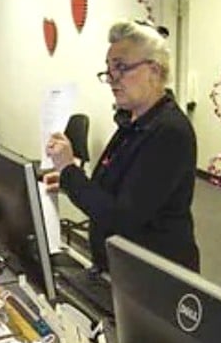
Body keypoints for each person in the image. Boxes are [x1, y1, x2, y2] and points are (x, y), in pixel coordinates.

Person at [45, 20, 199, 273]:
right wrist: (66, 181)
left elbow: (121, 217)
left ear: (154, 70)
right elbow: (108, 191)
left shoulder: (169, 131)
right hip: (120, 268)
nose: (112, 80)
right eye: (109, 70)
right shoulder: (133, 121)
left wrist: (68, 170)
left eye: (122, 68)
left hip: (155, 278)